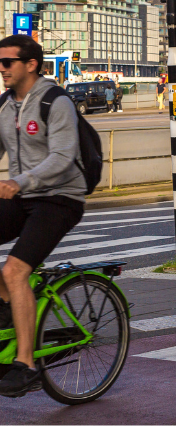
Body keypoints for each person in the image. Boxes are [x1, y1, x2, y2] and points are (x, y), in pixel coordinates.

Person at [0, 35, 87, 396]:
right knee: (9, 279)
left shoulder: (56, 101)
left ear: (31, 64)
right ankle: (7, 305)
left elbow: (63, 156)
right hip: (24, 194)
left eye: (7, 63)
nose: (1, 69)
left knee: (15, 270)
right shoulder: (5, 105)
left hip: (60, 198)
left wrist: (21, 180)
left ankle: (26, 363)